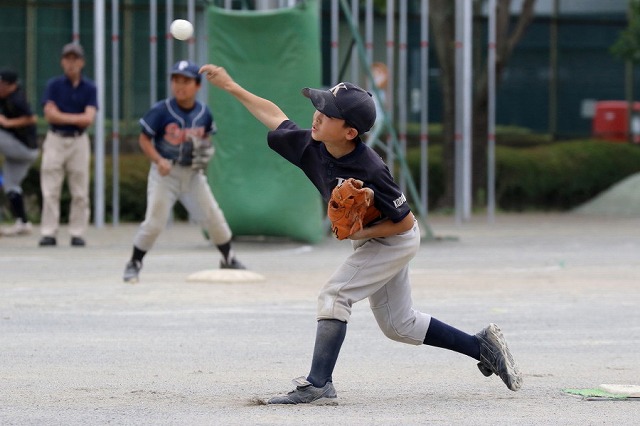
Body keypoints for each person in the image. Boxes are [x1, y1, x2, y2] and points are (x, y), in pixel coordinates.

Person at [200, 64, 523, 405]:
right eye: (319, 106)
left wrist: (361, 229)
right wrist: (231, 85)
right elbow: (275, 115)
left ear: (350, 132)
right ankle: (481, 346)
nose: (317, 115)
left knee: (335, 295)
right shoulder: (312, 146)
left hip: (393, 239)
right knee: (399, 325)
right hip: (371, 238)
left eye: (327, 112)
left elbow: (405, 222)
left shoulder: (370, 168)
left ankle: (319, 384)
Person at [122, 60, 245, 284]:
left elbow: (206, 137)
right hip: (165, 174)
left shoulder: (203, 112)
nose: (180, 85)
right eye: (176, 80)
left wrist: (205, 149)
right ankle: (134, 262)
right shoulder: (162, 110)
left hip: (192, 174)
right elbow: (144, 138)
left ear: (197, 85)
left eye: (186, 81)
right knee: (155, 222)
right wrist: (158, 159)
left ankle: (229, 256)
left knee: (213, 215)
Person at [39, 43, 98, 247]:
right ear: (62, 61)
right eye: (67, 59)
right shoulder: (54, 85)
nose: (71, 63)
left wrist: (61, 116)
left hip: (78, 140)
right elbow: (49, 114)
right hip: (55, 139)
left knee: (80, 190)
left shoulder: (90, 88)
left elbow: (88, 119)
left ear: (82, 62)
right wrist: (76, 117)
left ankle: (78, 232)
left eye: (75, 59)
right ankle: (49, 232)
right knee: (50, 188)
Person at [0, 69, 39, 236]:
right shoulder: (3, 97)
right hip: (19, 153)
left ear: (11, 86)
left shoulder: (17, 99)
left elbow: (32, 118)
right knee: (11, 186)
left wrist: (8, 123)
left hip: (24, 148)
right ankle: (23, 223)